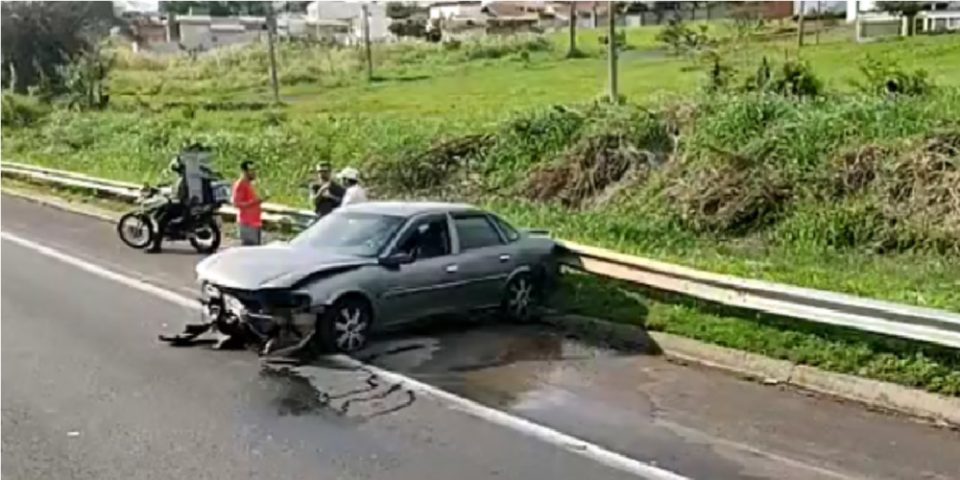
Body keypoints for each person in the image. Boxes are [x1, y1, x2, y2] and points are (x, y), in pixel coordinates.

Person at [146, 157, 190, 253]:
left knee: (160, 220)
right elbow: (174, 190)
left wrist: (169, 198)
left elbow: (178, 195)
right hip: (182, 204)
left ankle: (156, 246)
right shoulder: (184, 178)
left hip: (179, 205)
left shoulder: (183, 180)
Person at [232, 160, 264, 246]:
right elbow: (236, 203)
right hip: (247, 224)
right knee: (250, 253)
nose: (254, 173)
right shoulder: (241, 184)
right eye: (251, 170)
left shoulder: (249, 184)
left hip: (255, 223)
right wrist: (255, 202)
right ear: (245, 172)